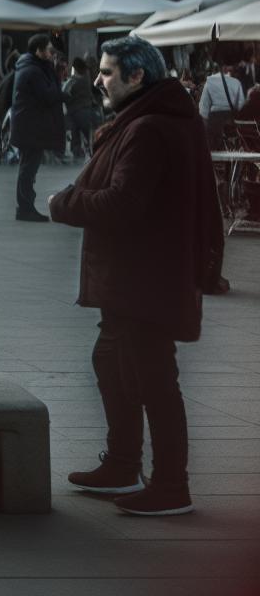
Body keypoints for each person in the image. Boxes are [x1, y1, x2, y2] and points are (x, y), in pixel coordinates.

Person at [48, 37, 223, 515]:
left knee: (153, 378)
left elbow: (123, 203)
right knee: (111, 362)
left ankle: (171, 486)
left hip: (145, 277)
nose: (98, 80)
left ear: (137, 76)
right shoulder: (153, 118)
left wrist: (64, 203)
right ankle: (123, 465)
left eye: (107, 72)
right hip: (136, 276)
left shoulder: (148, 127)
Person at [9, 33, 64, 222]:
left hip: (30, 125)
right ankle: (25, 208)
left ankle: (25, 207)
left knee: (28, 167)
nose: (51, 53)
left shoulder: (32, 66)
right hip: (30, 127)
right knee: (28, 169)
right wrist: (59, 84)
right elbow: (48, 95)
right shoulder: (33, 70)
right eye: (49, 50)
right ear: (39, 50)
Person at [198, 51, 245, 150]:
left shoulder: (209, 82)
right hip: (231, 125)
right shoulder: (237, 83)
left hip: (214, 126)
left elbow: (203, 111)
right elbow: (241, 107)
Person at [62, 57, 102, 162]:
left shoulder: (74, 81)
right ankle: (93, 154)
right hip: (87, 111)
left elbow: (65, 94)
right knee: (87, 135)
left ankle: (78, 155)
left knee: (76, 134)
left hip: (75, 112)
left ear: (75, 68)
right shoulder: (87, 78)